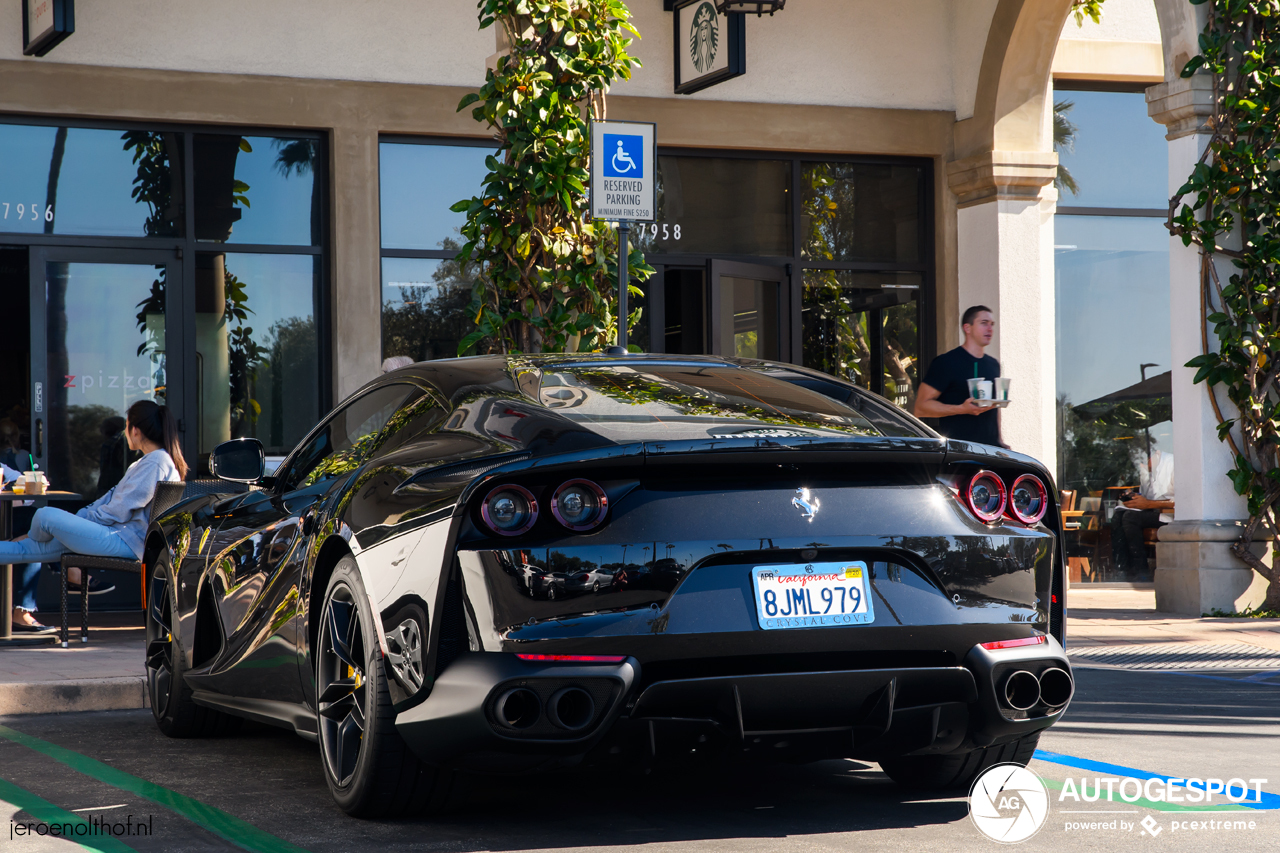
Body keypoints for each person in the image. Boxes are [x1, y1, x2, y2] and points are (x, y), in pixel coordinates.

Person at [5, 400, 185, 633]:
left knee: (44, 515)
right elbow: (111, 500)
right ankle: (36, 542)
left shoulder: (156, 462)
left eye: (126, 427)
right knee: (24, 550)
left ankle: (34, 538)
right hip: (117, 534)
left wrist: (83, 522)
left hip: (124, 539)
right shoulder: (148, 461)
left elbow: (121, 508)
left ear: (136, 430)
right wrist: (82, 519)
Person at [913, 305, 1004, 447]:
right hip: (958, 451)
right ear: (967, 328)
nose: (990, 329)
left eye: (992, 324)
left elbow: (995, 409)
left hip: (990, 451)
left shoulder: (993, 365)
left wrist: (1000, 441)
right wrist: (961, 409)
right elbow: (921, 407)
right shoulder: (946, 362)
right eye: (984, 323)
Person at [1110, 450, 1175, 580]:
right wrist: (1133, 498)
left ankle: (1140, 571)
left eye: (1144, 461)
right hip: (1151, 512)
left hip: (1171, 516)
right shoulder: (1148, 470)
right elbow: (1147, 496)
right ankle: (1121, 570)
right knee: (1118, 515)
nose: (1141, 466)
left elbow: (1183, 501)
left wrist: (1148, 504)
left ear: (1156, 454)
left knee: (1130, 517)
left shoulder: (1174, 465)